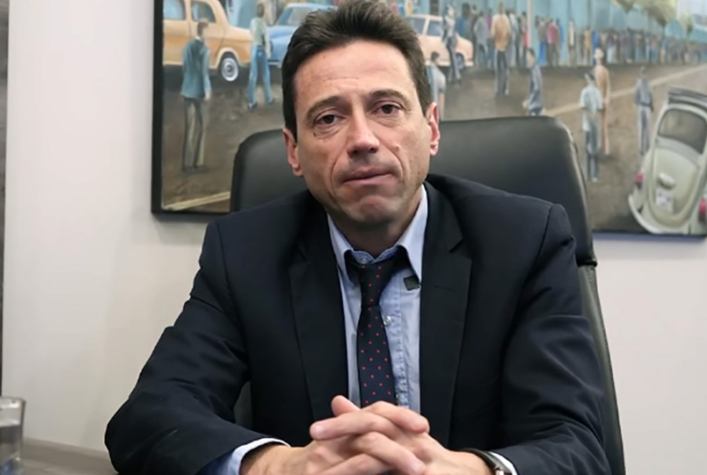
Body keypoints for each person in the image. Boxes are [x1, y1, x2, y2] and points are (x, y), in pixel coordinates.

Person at [105, 2, 608, 475]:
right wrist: (277, 466)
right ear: (294, 151)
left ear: (431, 128)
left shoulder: (523, 242)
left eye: (386, 107)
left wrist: (472, 470)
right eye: (329, 118)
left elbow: (577, 443)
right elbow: (150, 415)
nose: (363, 139)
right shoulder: (245, 254)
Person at [181, 20, 211, 171]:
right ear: (204, 32)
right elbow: (204, 72)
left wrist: (188, 81)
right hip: (199, 92)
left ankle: (187, 163)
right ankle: (198, 161)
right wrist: (207, 90)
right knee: (203, 125)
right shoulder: (205, 50)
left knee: (190, 127)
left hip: (187, 90)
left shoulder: (187, 47)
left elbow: (185, 66)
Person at [248, 2, 275, 110]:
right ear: (263, 13)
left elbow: (251, 33)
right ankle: (268, 98)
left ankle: (251, 101)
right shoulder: (263, 24)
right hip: (262, 49)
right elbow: (266, 39)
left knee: (253, 76)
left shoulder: (252, 22)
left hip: (254, 48)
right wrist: (268, 53)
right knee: (265, 74)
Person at [580, 72, 603, 182]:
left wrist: (591, 117)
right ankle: (591, 174)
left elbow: (596, 107)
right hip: (592, 123)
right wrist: (593, 117)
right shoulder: (590, 92)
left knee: (591, 149)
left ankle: (591, 174)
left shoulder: (590, 92)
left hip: (590, 124)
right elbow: (586, 107)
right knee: (590, 149)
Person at [593, 48, 611, 155]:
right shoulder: (601, 70)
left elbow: (606, 87)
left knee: (600, 125)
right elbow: (607, 87)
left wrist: (606, 99)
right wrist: (606, 99)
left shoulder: (598, 70)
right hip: (600, 100)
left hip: (599, 100)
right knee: (601, 125)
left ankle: (602, 148)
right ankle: (603, 148)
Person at [491, 2, 511, 95]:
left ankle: (498, 89)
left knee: (498, 70)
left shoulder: (495, 18)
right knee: (505, 69)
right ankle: (505, 88)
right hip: (505, 48)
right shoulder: (506, 19)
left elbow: (492, 34)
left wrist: (495, 41)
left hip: (498, 48)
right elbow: (509, 33)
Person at [634, 66, 654, 157]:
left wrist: (651, 105)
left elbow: (636, 97)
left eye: (645, 73)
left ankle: (645, 147)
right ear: (641, 74)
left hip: (644, 107)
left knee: (645, 128)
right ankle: (642, 148)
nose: (644, 75)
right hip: (643, 107)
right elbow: (636, 96)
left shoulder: (646, 84)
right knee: (643, 128)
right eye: (643, 73)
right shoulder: (643, 83)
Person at [427, 51, 446, 120]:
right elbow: (441, 98)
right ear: (436, 60)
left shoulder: (423, 72)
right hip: (434, 108)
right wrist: (442, 116)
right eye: (439, 59)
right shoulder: (440, 76)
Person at [523, 48, 543, 116]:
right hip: (536, 104)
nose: (527, 58)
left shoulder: (534, 70)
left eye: (528, 56)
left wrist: (529, 101)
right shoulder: (535, 68)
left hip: (534, 106)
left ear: (532, 57)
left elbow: (536, 88)